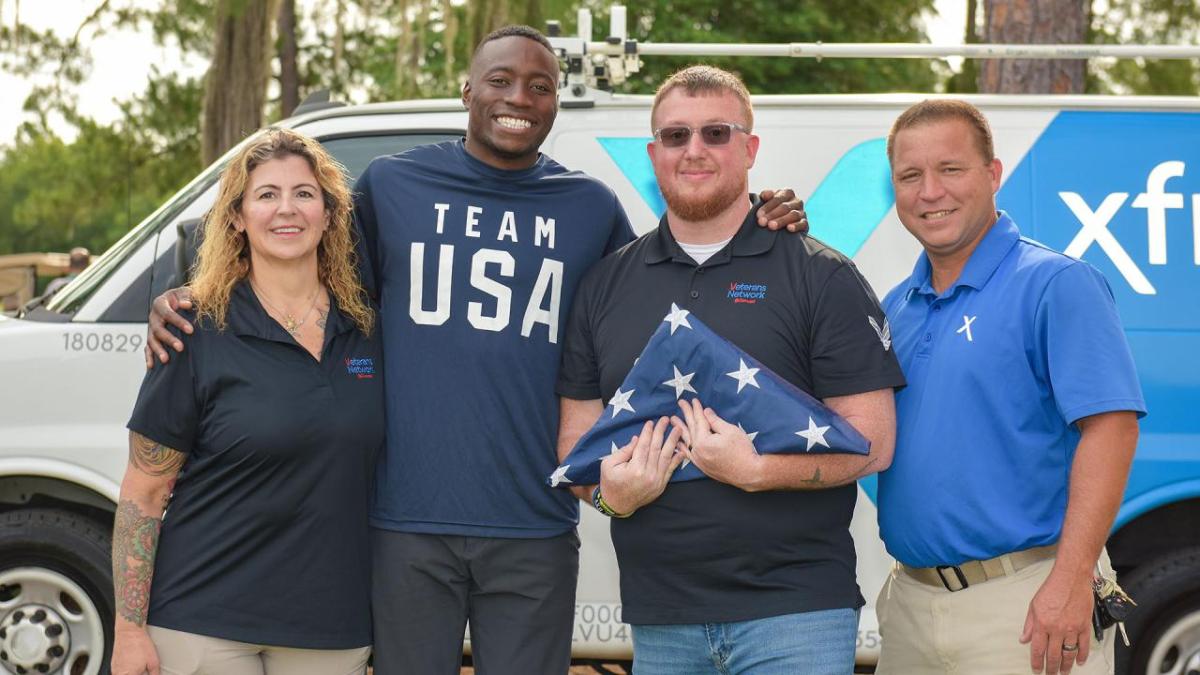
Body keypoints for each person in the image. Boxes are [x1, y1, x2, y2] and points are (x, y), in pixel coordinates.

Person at [145, 26, 808, 675]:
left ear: (555, 103)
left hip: (533, 524)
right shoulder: (393, 186)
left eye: (540, 86)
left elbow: (668, 303)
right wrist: (186, 297)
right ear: (467, 91)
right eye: (502, 80)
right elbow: (294, 264)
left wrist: (758, 219)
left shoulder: (588, 206)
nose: (520, 96)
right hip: (404, 523)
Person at [555, 65, 905, 674]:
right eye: (675, 136)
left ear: (750, 149)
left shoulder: (821, 275)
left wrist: (757, 471)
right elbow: (576, 449)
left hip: (797, 617)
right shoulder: (604, 285)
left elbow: (873, 444)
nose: (694, 151)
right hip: (661, 621)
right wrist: (611, 498)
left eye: (716, 133)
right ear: (652, 153)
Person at [874, 99, 1145, 675]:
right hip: (910, 608)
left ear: (992, 175)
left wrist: (1070, 583)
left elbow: (1112, 430)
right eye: (910, 176)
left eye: (950, 169)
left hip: (1025, 606)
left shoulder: (1056, 284)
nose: (930, 192)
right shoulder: (894, 308)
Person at [113, 128, 381, 675]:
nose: (288, 209)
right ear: (236, 217)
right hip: (201, 621)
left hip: (330, 626)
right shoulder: (192, 330)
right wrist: (128, 629)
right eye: (266, 195)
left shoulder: (369, 330)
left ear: (330, 214)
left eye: (305, 194)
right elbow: (144, 492)